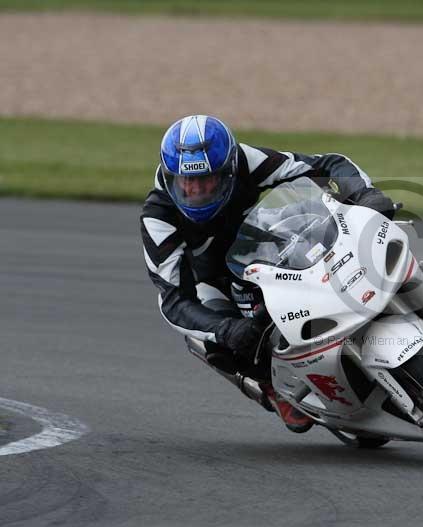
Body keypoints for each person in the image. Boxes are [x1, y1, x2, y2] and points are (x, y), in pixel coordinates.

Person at [140, 115, 395, 433]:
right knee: (209, 340)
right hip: (211, 278)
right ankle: (271, 386)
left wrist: (364, 195)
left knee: (338, 224)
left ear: (229, 170)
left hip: (262, 239)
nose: (195, 190)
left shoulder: (247, 160)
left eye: (207, 180)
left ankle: (382, 290)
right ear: (169, 175)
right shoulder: (158, 215)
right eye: (185, 181)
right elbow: (173, 298)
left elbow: (326, 164)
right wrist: (224, 329)